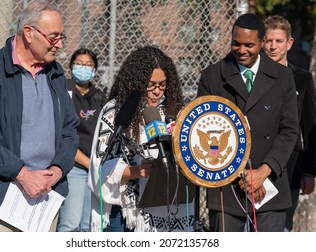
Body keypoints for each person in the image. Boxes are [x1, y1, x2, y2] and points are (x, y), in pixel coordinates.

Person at [0, 0, 79, 232]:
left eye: (62, 37)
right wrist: (23, 174)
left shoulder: (55, 73)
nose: (59, 44)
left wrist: (57, 170)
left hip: (46, 201)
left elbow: (70, 130)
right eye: (53, 37)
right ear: (28, 33)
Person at [196, 13, 299, 232]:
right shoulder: (212, 77)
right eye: (236, 43)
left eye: (249, 45)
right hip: (226, 188)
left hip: (270, 186)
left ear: (262, 43)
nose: (242, 50)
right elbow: (203, 129)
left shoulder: (283, 76)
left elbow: (289, 129)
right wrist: (242, 173)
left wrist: (264, 171)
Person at [88, 45, 195, 232]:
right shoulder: (116, 111)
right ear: (137, 83)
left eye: (162, 84)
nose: (157, 91)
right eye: (151, 84)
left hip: (163, 209)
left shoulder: (175, 112)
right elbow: (100, 164)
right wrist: (135, 171)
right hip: (123, 212)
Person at [263, 15, 316, 231]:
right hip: (256, 165)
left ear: (289, 43)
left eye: (279, 41)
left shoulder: (302, 79)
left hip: (291, 169)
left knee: (282, 229)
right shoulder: (251, 77)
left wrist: (310, 172)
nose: (273, 46)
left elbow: (310, 124)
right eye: (268, 40)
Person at [56, 48, 106, 232]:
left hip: (95, 167)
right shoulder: (63, 90)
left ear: (95, 70)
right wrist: (87, 162)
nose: (83, 68)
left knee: (88, 226)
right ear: (71, 66)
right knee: (71, 223)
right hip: (74, 166)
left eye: (88, 65)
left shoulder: (99, 96)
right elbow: (62, 133)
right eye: (79, 64)